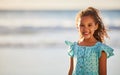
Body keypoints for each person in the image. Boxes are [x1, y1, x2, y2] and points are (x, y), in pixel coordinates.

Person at [65, 7, 114, 75]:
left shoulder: (100, 49)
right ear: (77, 27)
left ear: (96, 26)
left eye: (89, 25)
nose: (86, 29)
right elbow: (71, 70)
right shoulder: (74, 47)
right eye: (82, 25)